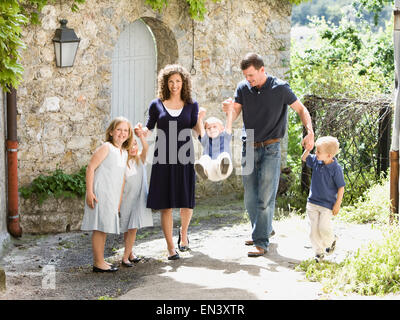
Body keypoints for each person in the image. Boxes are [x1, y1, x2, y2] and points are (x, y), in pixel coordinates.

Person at [222, 52, 314, 257]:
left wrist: (310, 130)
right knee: (250, 197)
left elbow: (301, 109)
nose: (249, 80)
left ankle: (261, 241)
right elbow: (235, 112)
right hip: (249, 144)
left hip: (271, 147)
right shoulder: (243, 88)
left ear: (262, 70)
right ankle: (263, 229)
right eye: (246, 76)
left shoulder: (280, 87)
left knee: (265, 196)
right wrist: (228, 110)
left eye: (252, 75)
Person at [141, 64, 202, 260]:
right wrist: (140, 134)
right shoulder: (156, 105)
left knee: (187, 201)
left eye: (178, 81)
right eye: (170, 81)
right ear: (165, 84)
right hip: (163, 158)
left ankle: (183, 235)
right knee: (166, 205)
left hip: (185, 158)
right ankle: (170, 248)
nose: (174, 85)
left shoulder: (192, 105)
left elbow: (197, 132)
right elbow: (149, 130)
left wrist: (201, 120)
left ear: (183, 83)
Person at [81, 117, 133, 272]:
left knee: (104, 227)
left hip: (112, 195)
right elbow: (90, 168)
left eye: (125, 130)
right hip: (100, 192)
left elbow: (122, 177)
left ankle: (101, 260)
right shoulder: (106, 147)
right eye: (119, 129)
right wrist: (89, 192)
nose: (122, 133)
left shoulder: (123, 152)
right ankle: (98, 262)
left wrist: (119, 200)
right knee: (100, 228)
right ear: (111, 132)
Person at [301, 136, 345, 263]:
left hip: (327, 205)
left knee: (323, 228)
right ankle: (319, 253)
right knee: (313, 232)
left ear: (329, 155)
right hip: (312, 203)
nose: (316, 153)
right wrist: (307, 149)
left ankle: (331, 241)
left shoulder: (336, 169)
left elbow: (341, 187)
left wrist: (337, 204)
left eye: (318, 151)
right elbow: (304, 158)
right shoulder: (316, 161)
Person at [119, 123, 153, 267]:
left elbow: (145, 148)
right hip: (127, 200)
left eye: (135, 145)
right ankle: (130, 252)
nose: (133, 148)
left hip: (138, 199)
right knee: (127, 227)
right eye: (130, 146)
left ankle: (125, 257)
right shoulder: (122, 163)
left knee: (133, 228)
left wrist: (140, 137)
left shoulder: (140, 159)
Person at [194, 106, 233, 181]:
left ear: (222, 129)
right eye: (208, 128)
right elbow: (201, 129)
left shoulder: (225, 137)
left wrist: (230, 111)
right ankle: (203, 170)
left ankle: (223, 167)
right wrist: (199, 118)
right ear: (206, 131)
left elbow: (228, 125)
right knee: (205, 158)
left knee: (224, 156)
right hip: (210, 171)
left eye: (215, 126)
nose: (212, 129)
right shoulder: (206, 140)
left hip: (223, 172)